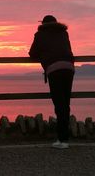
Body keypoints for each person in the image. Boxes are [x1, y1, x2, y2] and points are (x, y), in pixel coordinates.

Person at [29, 15, 75, 149]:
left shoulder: (40, 35)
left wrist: (44, 54)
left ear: (43, 24)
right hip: (69, 67)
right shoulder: (64, 33)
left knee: (59, 103)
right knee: (65, 103)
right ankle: (64, 139)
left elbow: (32, 53)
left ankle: (62, 140)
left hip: (54, 69)